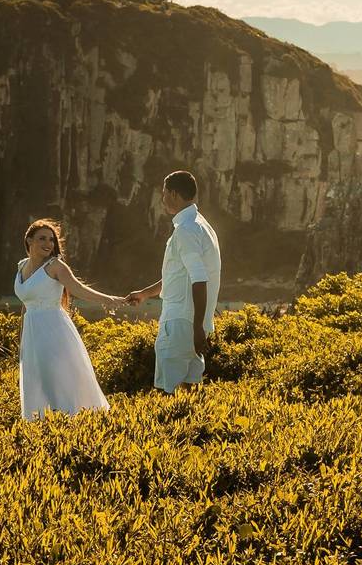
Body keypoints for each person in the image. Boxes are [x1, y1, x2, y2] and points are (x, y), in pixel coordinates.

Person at [14, 219, 123, 421]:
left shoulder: (55, 266)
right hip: (32, 332)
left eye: (51, 240)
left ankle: (72, 419)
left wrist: (108, 299)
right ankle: (43, 421)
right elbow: (26, 303)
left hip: (54, 329)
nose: (48, 243)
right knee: (37, 376)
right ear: (29, 240)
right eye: (42, 239)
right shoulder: (22, 266)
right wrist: (21, 337)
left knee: (60, 375)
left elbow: (77, 289)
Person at [125, 170, 222, 393]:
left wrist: (196, 328)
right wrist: (145, 293)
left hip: (180, 322)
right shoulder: (202, 226)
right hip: (192, 322)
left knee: (166, 391)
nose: (163, 199)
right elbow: (179, 274)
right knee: (190, 390)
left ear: (174, 194)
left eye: (164, 193)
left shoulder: (186, 231)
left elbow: (199, 279)